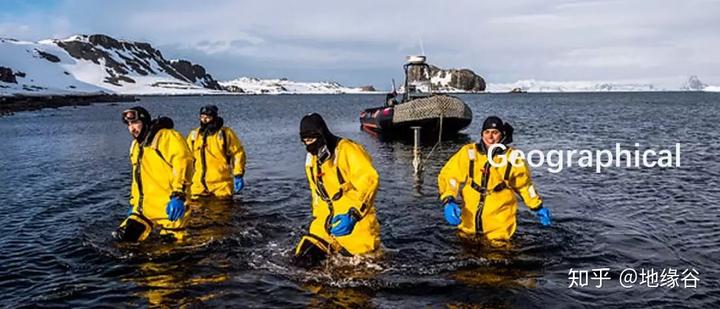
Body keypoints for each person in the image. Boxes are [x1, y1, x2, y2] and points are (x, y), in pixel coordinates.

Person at [437, 116, 552, 244]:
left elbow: (524, 186)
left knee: (499, 258)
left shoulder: (513, 158)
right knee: (464, 254)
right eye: (487, 132)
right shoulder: (468, 153)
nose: (490, 137)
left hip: (499, 227)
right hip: (469, 225)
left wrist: (537, 206)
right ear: (482, 134)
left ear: (502, 135)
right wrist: (448, 200)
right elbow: (450, 175)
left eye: (495, 132)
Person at [293, 113, 381, 268]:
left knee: (360, 276)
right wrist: (319, 220)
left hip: (356, 226)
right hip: (326, 226)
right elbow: (317, 195)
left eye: (311, 140)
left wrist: (354, 214)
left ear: (322, 134)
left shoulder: (348, 151)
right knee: (301, 261)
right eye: (305, 141)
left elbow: (369, 181)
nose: (309, 145)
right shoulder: (312, 160)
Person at [114, 106, 194, 242]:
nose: (131, 129)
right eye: (128, 124)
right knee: (123, 240)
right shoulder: (136, 146)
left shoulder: (167, 137)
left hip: (170, 208)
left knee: (170, 254)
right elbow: (136, 177)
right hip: (143, 209)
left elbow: (184, 164)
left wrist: (178, 195)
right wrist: (134, 202)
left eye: (135, 123)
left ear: (145, 122)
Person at [186, 105, 247, 200]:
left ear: (214, 117)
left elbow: (238, 153)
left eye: (208, 117)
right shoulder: (194, 135)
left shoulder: (225, 134)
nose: (204, 120)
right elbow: (186, 157)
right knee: (195, 212)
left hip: (221, 184)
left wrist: (238, 174)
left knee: (222, 211)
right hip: (198, 185)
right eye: (202, 117)